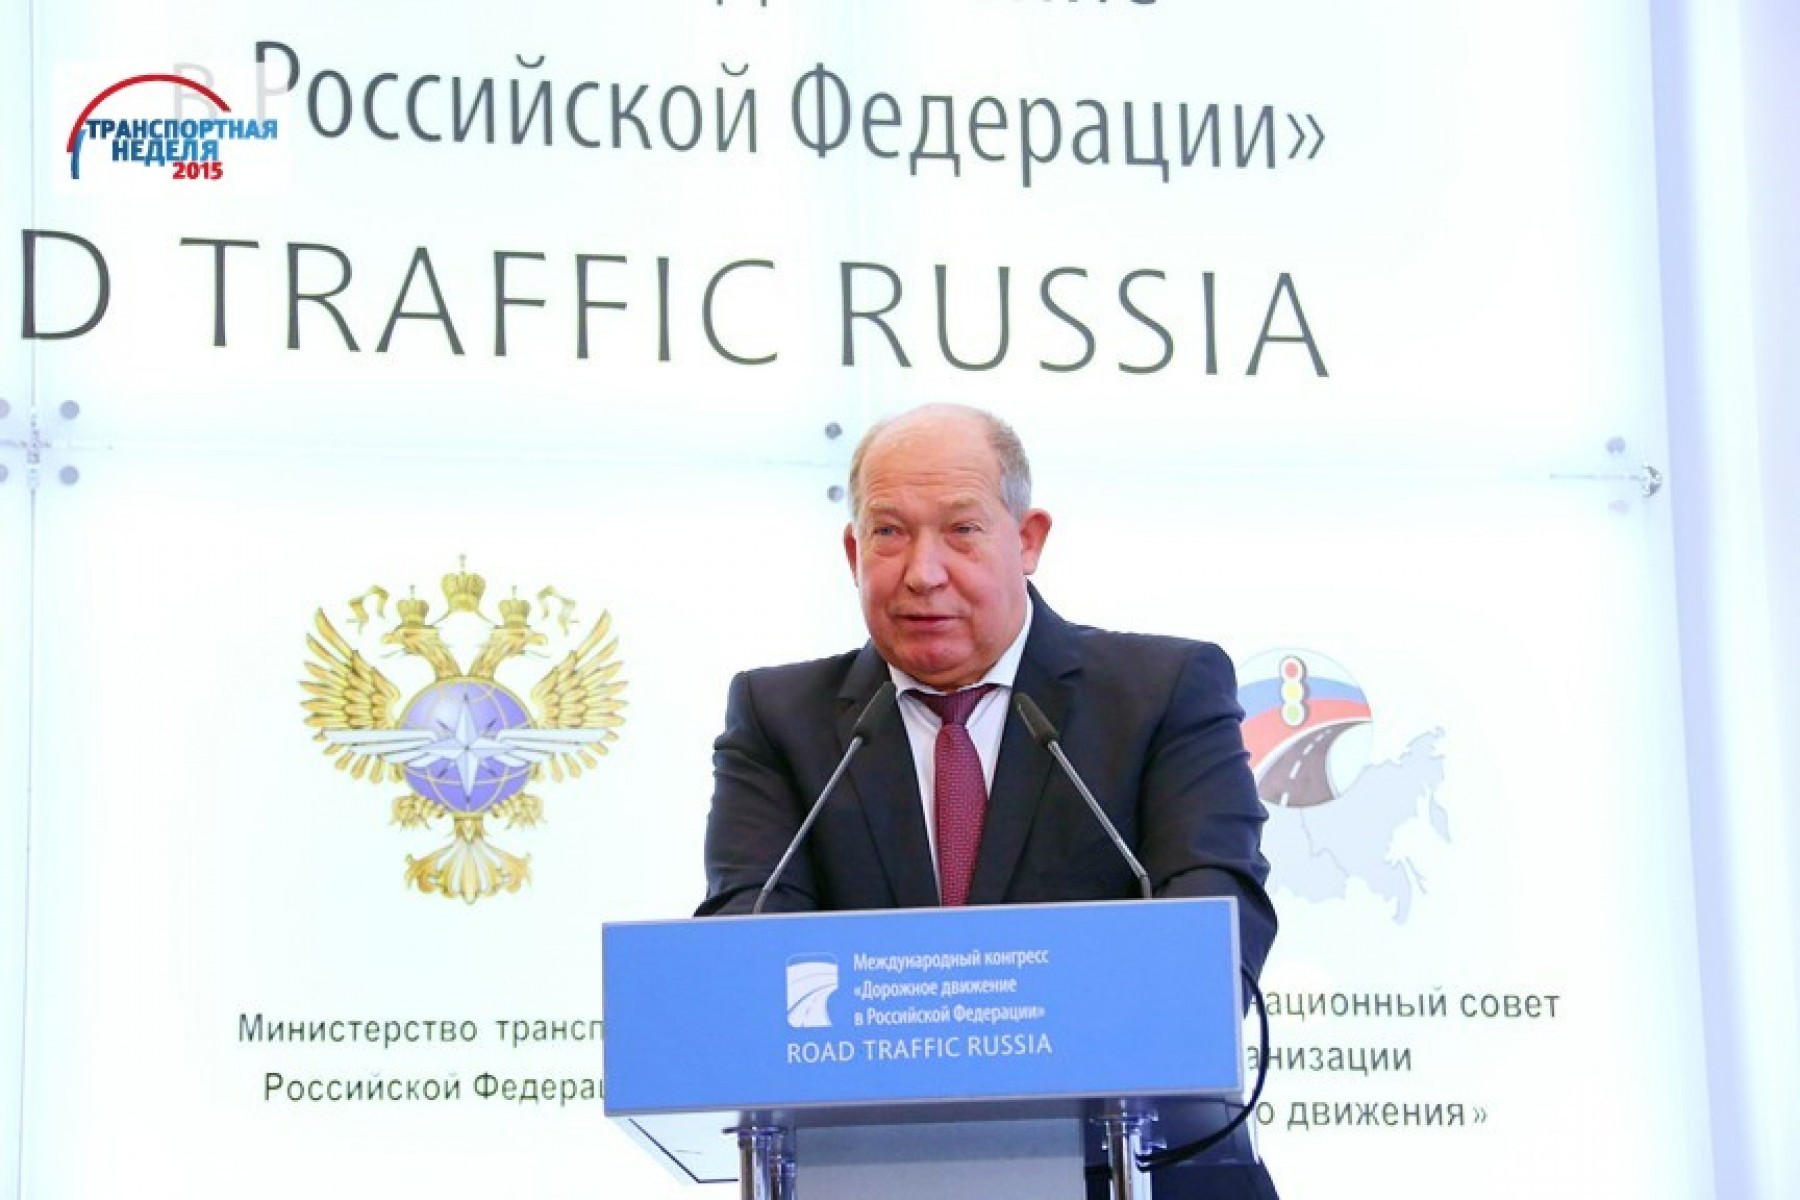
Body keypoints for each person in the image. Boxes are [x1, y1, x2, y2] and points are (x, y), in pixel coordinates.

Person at [698, 403, 1278, 1199]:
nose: (923, 572)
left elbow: (1215, 921)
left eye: (961, 531)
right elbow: (748, 958)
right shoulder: (779, 720)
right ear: (853, 552)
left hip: (1135, 1167)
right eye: (889, 532)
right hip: (870, 1174)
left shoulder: (1162, 692)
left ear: (1028, 539)